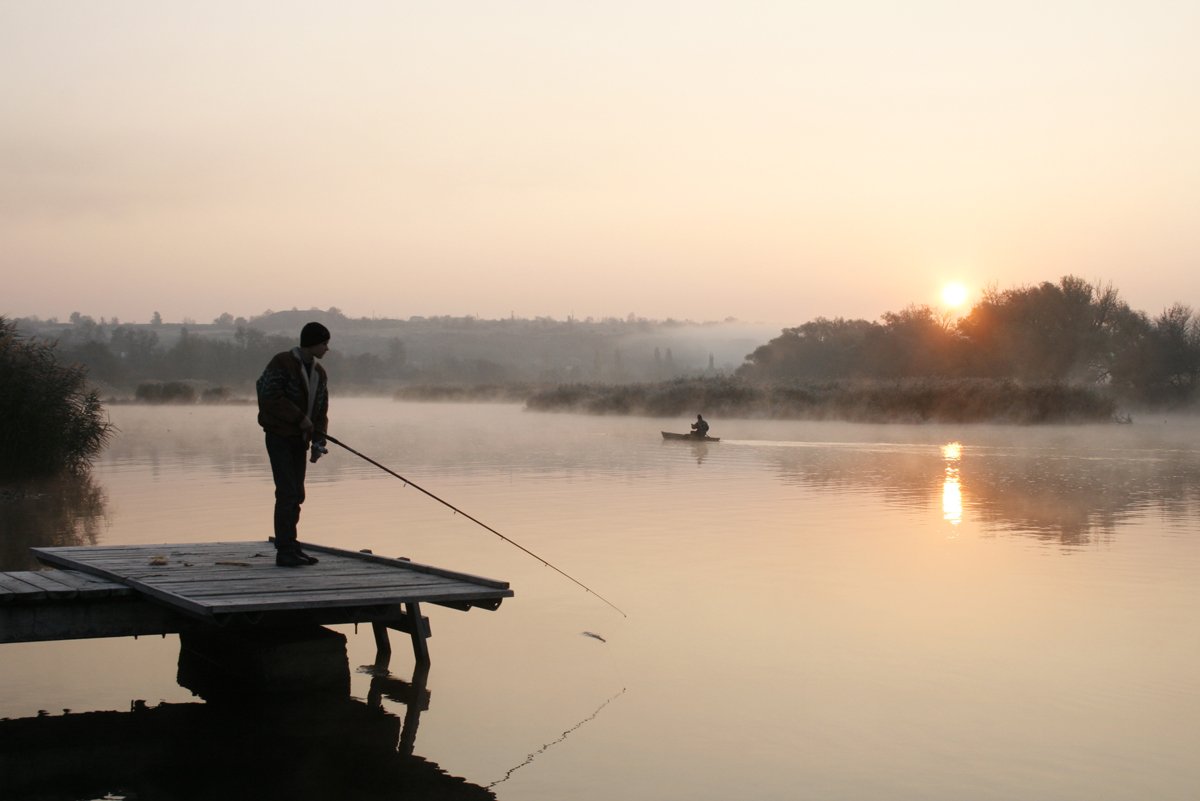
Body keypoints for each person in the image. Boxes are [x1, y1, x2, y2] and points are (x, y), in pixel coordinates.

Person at [257, 322, 330, 567]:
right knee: (287, 492)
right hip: (279, 437)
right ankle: (284, 550)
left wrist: (318, 440)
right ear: (312, 343)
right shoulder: (281, 362)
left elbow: (321, 411)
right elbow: (269, 397)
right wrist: (299, 419)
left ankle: (291, 546)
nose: (326, 348)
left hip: (300, 441)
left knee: (297, 494)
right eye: (323, 343)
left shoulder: (320, 373)